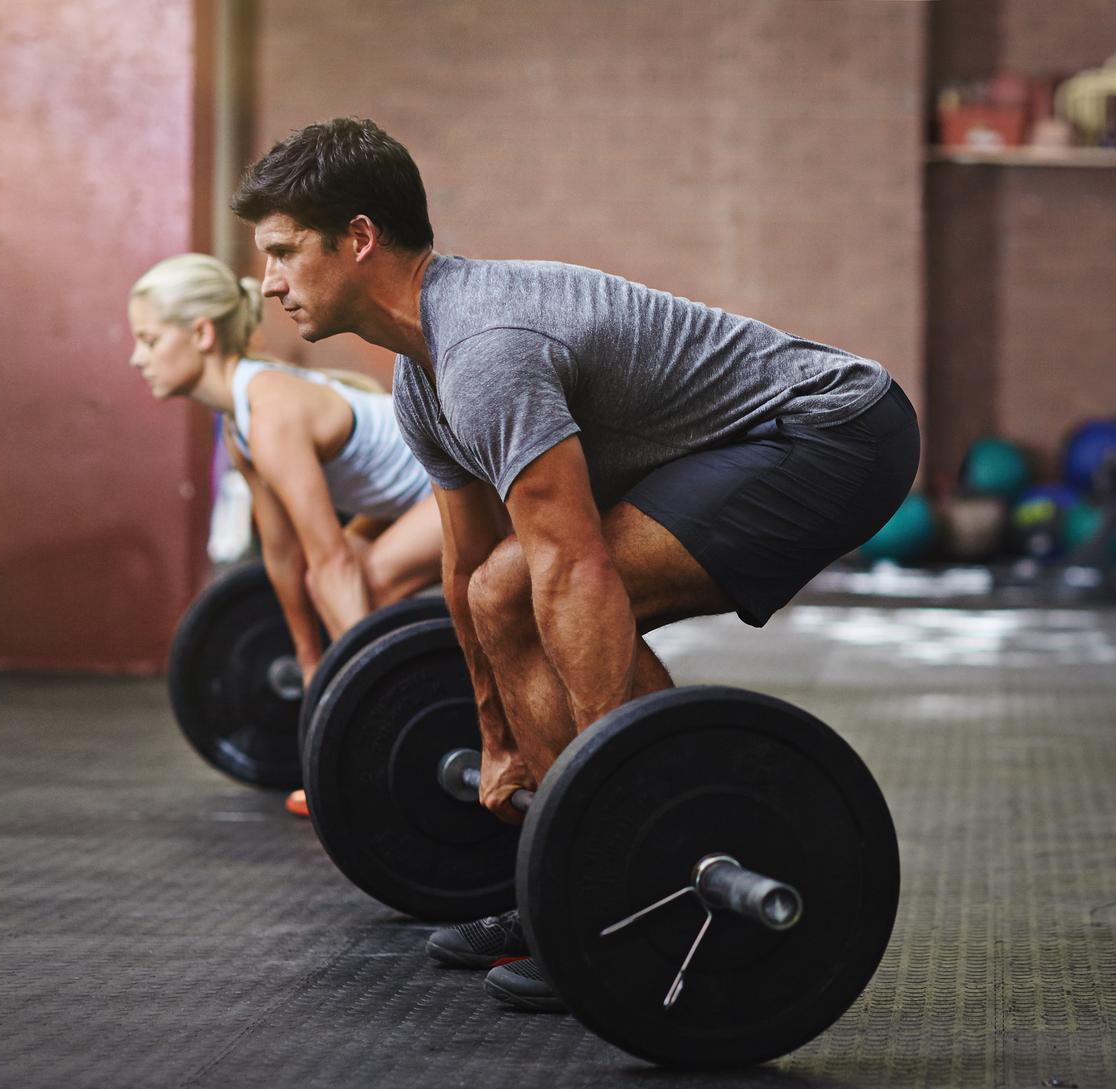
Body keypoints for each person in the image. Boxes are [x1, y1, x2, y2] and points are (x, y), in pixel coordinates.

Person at [230, 117, 919, 1012]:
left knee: (533, 587)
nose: (270, 281)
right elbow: (464, 565)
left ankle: (616, 879)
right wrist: (495, 736)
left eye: (284, 252)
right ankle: (574, 886)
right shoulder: (420, 377)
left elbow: (571, 571)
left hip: (833, 430)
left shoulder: (485, 350)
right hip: (736, 445)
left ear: (358, 239)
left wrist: (603, 795)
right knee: (500, 587)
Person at [128, 253, 445, 816]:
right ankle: (367, 729)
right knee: (337, 590)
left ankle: (380, 741)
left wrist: (350, 706)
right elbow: (282, 555)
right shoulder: (240, 424)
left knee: (359, 581)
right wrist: (306, 663)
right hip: (401, 499)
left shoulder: (268, 411)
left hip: (458, 481)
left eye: (149, 340)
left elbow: (331, 564)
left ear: (200, 334)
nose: (138, 358)